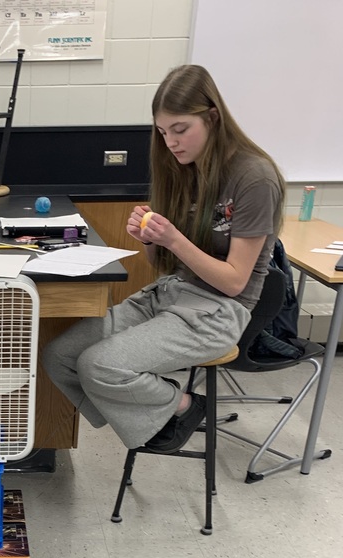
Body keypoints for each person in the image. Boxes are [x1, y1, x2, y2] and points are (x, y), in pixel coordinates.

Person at [43, 64, 285, 454]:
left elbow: (235, 281)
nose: (170, 142)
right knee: (61, 357)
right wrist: (152, 241)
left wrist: (173, 238)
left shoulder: (254, 177)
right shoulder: (182, 168)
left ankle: (177, 409)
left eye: (180, 129)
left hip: (221, 310)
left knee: (99, 365)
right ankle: (164, 415)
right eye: (161, 132)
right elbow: (167, 267)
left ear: (212, 118)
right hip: (173, 293)